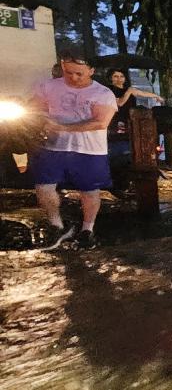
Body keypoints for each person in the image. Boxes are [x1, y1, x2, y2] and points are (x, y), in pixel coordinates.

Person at [29, 52, 118, 249]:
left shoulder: (102, 93)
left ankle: (87, 229)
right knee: (43, 187)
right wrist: (41, 118)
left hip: (88, 150)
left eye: (79, 74)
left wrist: (63, 128)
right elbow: (34, 108)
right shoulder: (48, 86)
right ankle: (56, 225)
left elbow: (100, 122)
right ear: (62, 67)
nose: (73, 77)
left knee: (89, 191)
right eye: (68, 72)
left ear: (91, 71)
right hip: (51, 147)